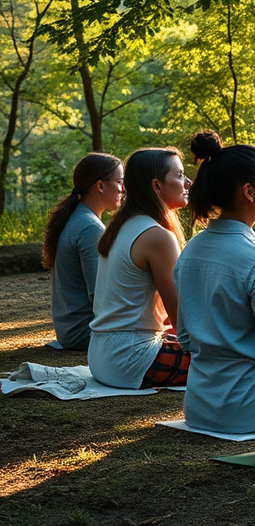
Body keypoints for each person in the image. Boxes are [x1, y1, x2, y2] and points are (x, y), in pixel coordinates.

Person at [173, 132, 255, 435]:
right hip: (251, 408)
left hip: (199, 408)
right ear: (249, 191)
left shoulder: (189, 252)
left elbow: (185, 336)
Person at [88, 147, 192, 389]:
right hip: (132, 359)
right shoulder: (157, 236)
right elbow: (181, 319)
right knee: (235, 360)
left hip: (101, 356)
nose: (188, 183)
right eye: (179, 175)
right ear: (157, 186)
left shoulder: (121, 226)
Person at [42, 153, 124, 351]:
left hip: (71, 331)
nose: (123, 189)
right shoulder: (90, 227)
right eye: (120, 182)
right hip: (85, 333)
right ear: (100, 186)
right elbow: (99, 293)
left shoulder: (77, 217)